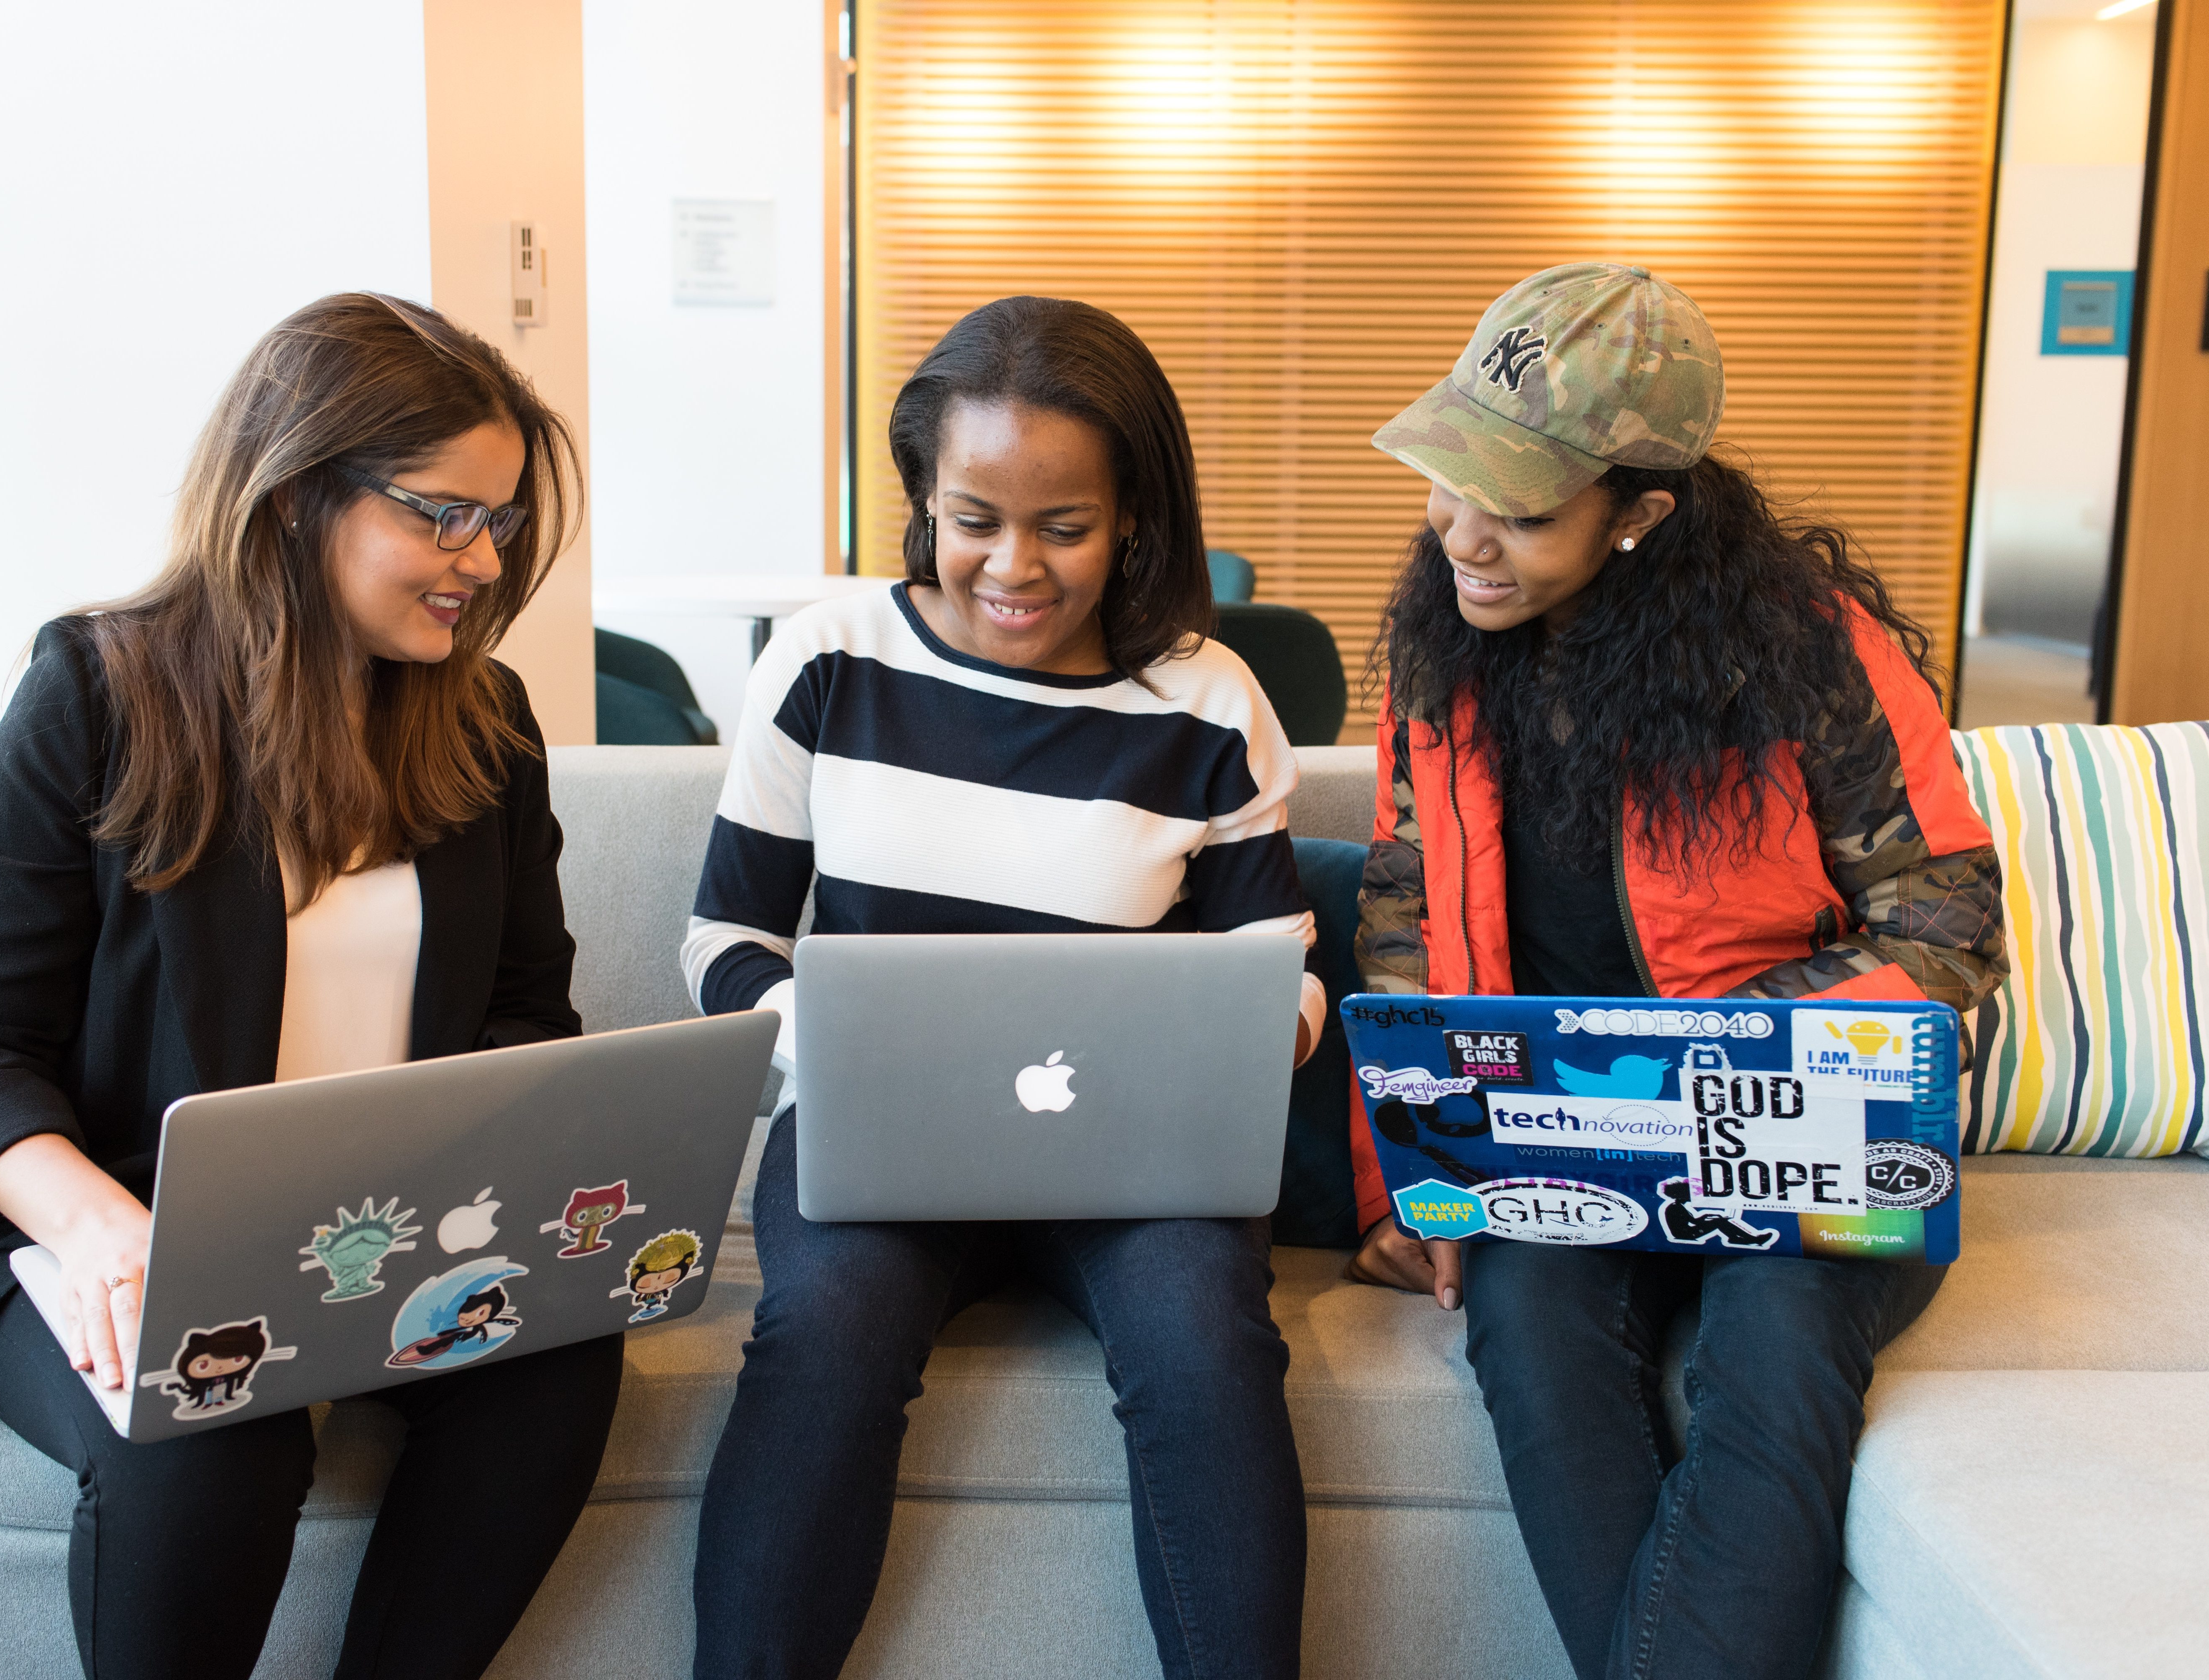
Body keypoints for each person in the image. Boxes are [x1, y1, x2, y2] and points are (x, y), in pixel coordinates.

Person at [0, 293, 616, 1680]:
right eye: (444, 513)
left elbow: (527, 1018)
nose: (481, 559)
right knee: (222, 1417)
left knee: (554, 1374)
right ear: (293, 496)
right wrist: (101, 1232)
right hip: (103, 1238)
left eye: (501, 522)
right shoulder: (95, 692)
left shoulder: (485, 721)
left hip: (383, 1237)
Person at [1345, 263, 2007, 1680]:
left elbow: (1944, 920)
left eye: (1518, 510)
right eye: (1451, 479)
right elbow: (1404, 916)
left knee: (1771, 1352)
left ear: (1641, 514)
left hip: (1812, 1137)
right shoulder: (1440, 658)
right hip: (1563, 1141)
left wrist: (1716, 1053)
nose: (1463, 533)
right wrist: (1418, 1181)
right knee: (1526, 1326)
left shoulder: (1813, 656)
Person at [682, 295, 1320, 1680]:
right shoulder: (831, 658)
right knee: (823, 1336)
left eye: (1065, 528)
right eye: (974, 518)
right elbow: (726, 937)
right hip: (876, 1141)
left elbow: (1280, 962)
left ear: (1137, 513)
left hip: (1137, 1156)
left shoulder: (1207, 703)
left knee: (1208, 1346)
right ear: (924, 498)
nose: (1012, 568)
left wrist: (1263, 1026)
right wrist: (830, 1042)